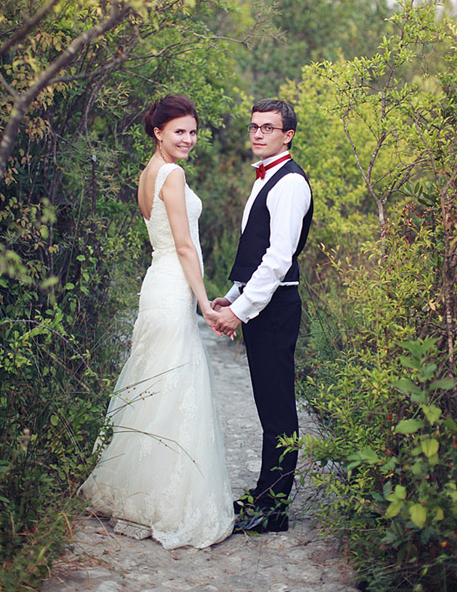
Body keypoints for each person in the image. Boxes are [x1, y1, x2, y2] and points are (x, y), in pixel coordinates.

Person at [80, 94, 234, 549]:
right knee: (174, 381)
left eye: (192, 131)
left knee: (155, 379)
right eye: (179, 131)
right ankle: (166, 499)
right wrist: (205, 302)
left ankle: (135, 488)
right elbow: (185, 246)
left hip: (158, 284)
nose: (188, 139)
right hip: (172, 286)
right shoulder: (173, 173)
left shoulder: (148, 174)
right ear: (158, 132)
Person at [212, 98, 313, 534]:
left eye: (267, 128)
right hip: (262, 304)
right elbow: (254, 252)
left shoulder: (290, 183)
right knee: (267, 406)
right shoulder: (265, 178)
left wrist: (241, 312)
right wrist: (231, 297)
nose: (257, 134)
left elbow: (277, 260)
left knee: (277, 411)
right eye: (254, 126)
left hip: (276, 309)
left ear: (287, 135)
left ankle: (274, 510)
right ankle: (264, 492)